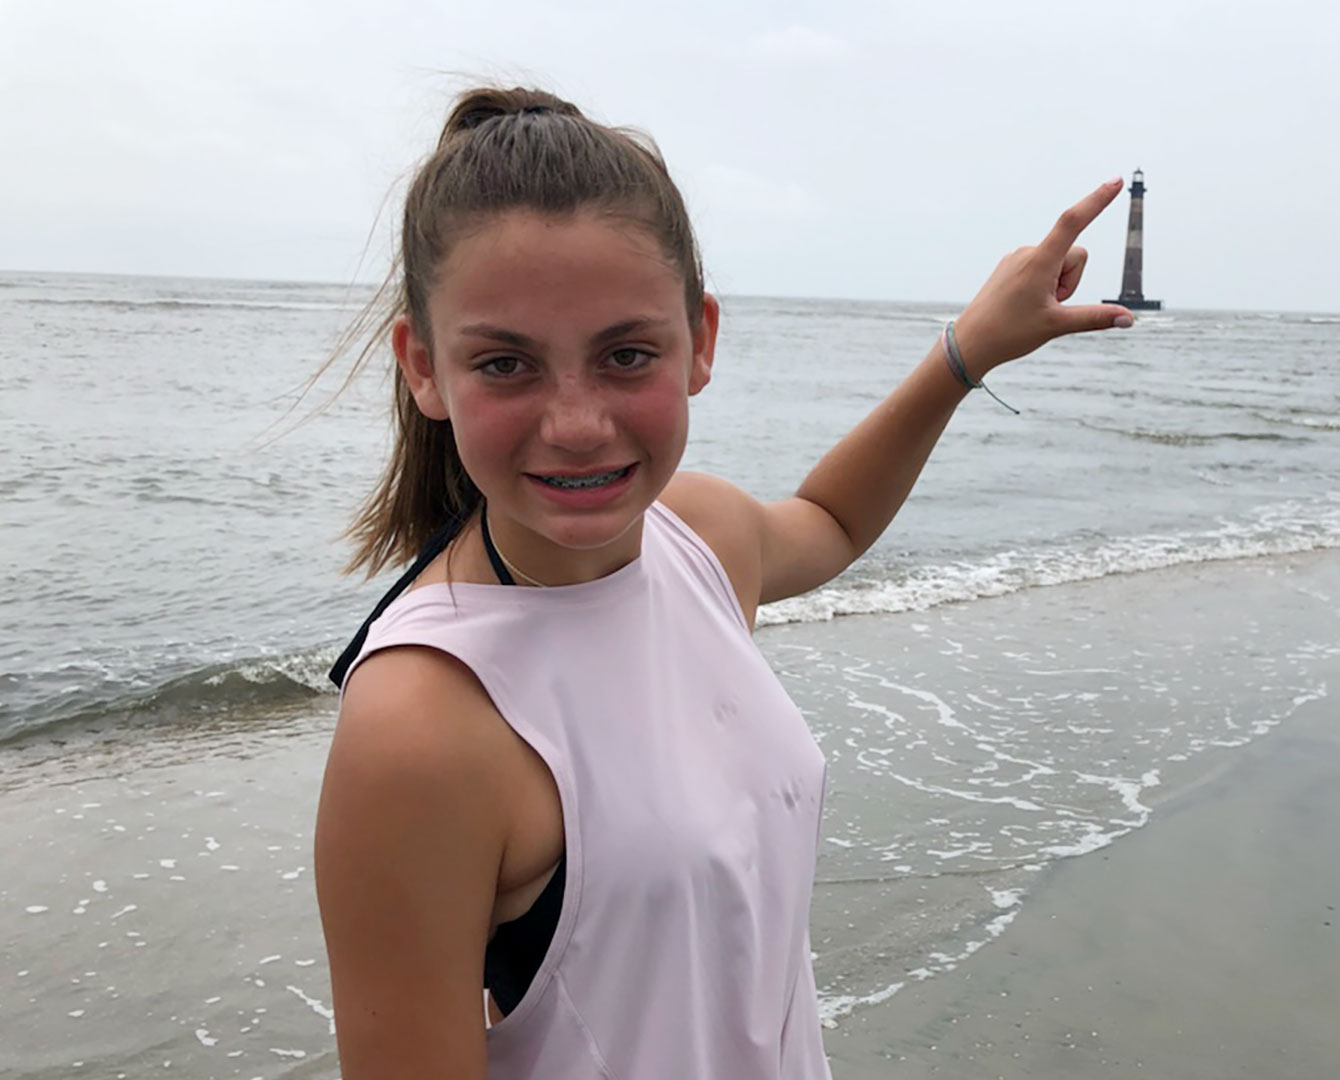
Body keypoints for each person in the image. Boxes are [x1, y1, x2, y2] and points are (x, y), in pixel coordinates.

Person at [312, 85, 1134, 1079]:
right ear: (425, 366)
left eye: (625, 355)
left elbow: (828, 523)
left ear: (700, 341)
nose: (576, 423)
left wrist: (964, 355)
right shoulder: (425, 722)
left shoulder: (693, 537)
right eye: (506, 364)